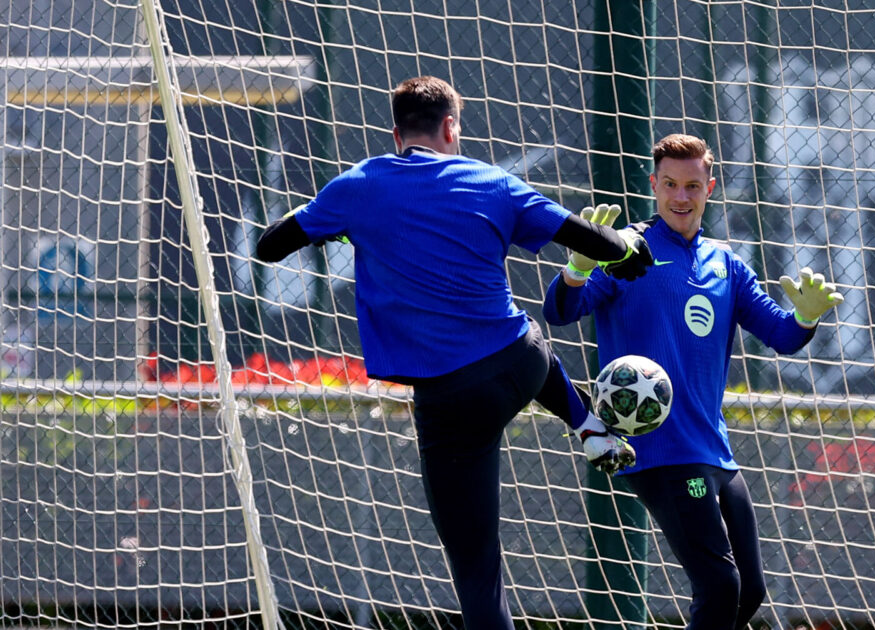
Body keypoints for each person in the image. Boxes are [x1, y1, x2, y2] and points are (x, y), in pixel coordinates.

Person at [255, 75, 649, 630]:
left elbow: (270, 246)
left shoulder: (356, 186)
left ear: (396, 133)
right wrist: (631, 249)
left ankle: (589, 428)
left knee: (478, 572)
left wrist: (338, 228)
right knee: (527, 333)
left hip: (450, 400)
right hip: (521, 364)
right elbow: (594, 241)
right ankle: (589, 426)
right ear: (450, 127)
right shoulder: (494, 182)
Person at [542, 133, 843, 629]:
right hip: (660, 452)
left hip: (713, 450)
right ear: (654, 186)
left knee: (747, 593)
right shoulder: (625, 251)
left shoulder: (727, 264)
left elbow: (781, 336)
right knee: (720, 586)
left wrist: (806, 317)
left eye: (692, 186)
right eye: (670, 185)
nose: (681, 197)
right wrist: (577, 270)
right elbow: (560, 311)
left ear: (710, 187)